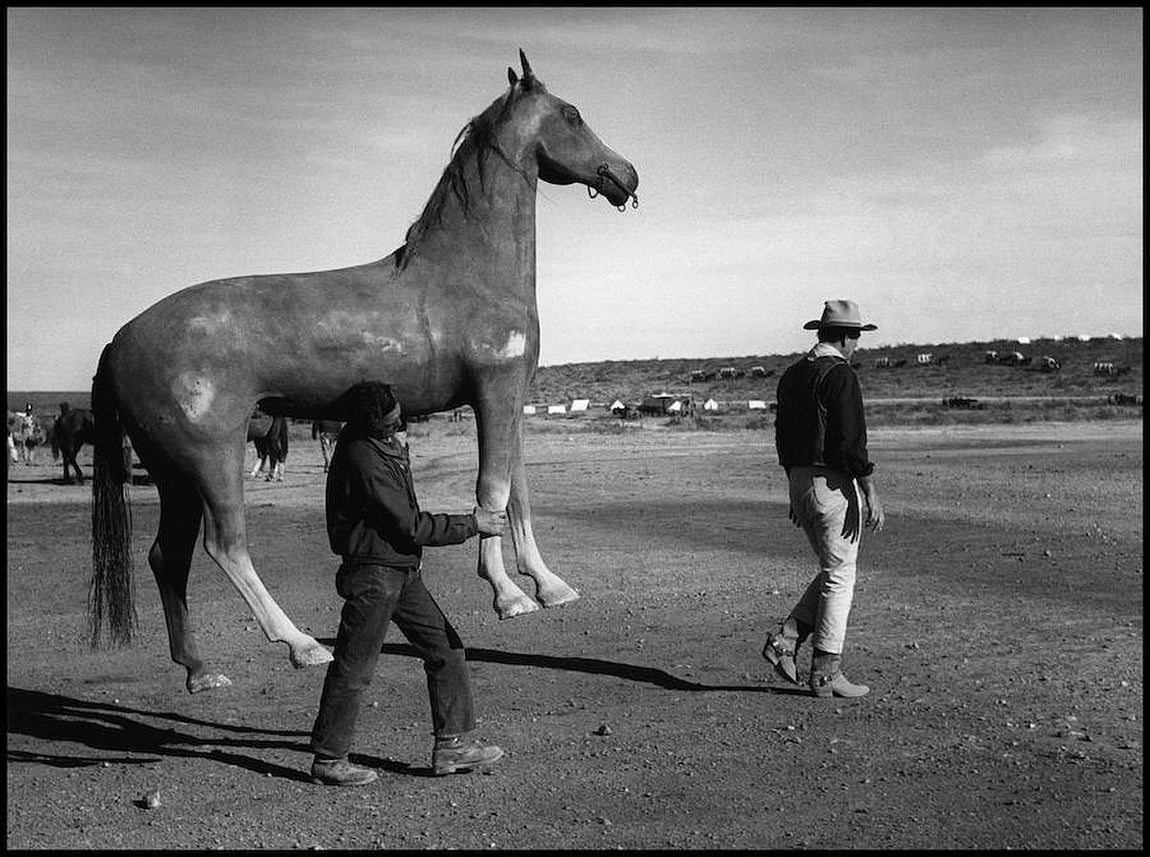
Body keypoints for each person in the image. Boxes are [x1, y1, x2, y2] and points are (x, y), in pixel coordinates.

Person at [309, 381, 508, 786]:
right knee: (354, 667)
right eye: (392, 424)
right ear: (372, 426)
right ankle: (329, 759)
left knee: (447, 650)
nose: (401, 427)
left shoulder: (378, 444)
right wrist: (473, 524)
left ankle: (451, 745)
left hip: (400, 571)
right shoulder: (363, 460)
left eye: (401, 419)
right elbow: (410, 525)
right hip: (374, 576)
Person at [764, 300, 885, 699]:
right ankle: (825, 671)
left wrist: (794, 489)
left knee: (832, 570)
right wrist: (869, 489)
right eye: (857, 338)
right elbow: (849, 443)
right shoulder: (840, 375)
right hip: (830, 484)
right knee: (840, 576)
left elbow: (783, 437)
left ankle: (787, 639)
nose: (857, 345)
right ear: (849, 337)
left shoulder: (792, 375)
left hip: (798, 481)